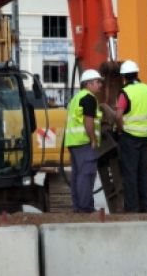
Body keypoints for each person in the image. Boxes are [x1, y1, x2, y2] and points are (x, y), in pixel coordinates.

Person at [115, 60, 147, 213]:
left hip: (129, 137)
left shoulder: (126, 92)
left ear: (124, 77)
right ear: (137, 74)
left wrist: (121, 129)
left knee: (130, 173)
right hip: (146, 136)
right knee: (143, 171)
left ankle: (132, 208)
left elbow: (118, 115)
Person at [64, 68, 104, 213]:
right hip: (84, 142)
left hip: (74, 142)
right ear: (88, 83)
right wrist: (93, 139)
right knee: (86, 175)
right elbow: (89, 121)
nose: (100, 85)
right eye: (97, 82)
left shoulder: (76, 98)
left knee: (78, 175)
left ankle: (78, 207)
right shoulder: (89, 98)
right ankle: (86, 208)